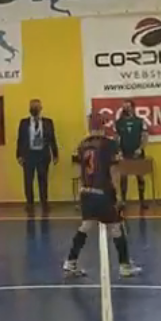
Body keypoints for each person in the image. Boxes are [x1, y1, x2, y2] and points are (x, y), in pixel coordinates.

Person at [63, 113, 142, 279]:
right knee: (116, 226)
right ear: (103, 126)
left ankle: (70, 262)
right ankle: (124, 266)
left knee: (86, 225)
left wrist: (82, 189)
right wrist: (117, 194)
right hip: (103, 191)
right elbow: (114, 170)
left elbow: (77, 170)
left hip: (87, 191)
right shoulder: (109, 144)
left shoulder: (82, 145)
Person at [16, 99, 59, 212]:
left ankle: (44, 203)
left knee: (43, 180)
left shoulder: (48, 122)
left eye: (37, 107)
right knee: (28, 180)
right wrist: (19, 155)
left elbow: (52, 139)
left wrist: (55, 154)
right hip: (29, 155)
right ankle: (29, 203)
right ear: (29, 109)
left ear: (41, 108)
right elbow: (20, 140)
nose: (35, 109)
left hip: (42, 155)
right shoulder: (24, 123)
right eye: (33, 107)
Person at [114, 99, 150, 209]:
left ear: (133, 108)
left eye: (128, 107)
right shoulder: (118, 123)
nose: (126, 109)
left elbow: (145, 137)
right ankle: (123, 201)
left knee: (140, 178)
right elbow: (116, 138)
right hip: (125, 154)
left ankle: (142, 201)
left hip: (137, 154)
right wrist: (119, 151)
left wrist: (140, 148)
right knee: (123, 178)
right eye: (124, 107)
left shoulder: (140, 121)